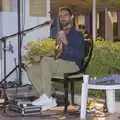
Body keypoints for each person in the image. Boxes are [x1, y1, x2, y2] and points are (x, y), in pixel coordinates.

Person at [27, 7, 84, 97]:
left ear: (72, 17)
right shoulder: (59, 33)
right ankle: (45, 97)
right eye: (61, 16)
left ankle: (47, 96)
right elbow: (57, 53)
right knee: (31, 69)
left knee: (46, 61)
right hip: (60, 64)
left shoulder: (77, 34)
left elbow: (79, 55)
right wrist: (44, 55)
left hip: (74, 65)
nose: (63, 18)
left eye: (65, 15)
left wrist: (65, 42)